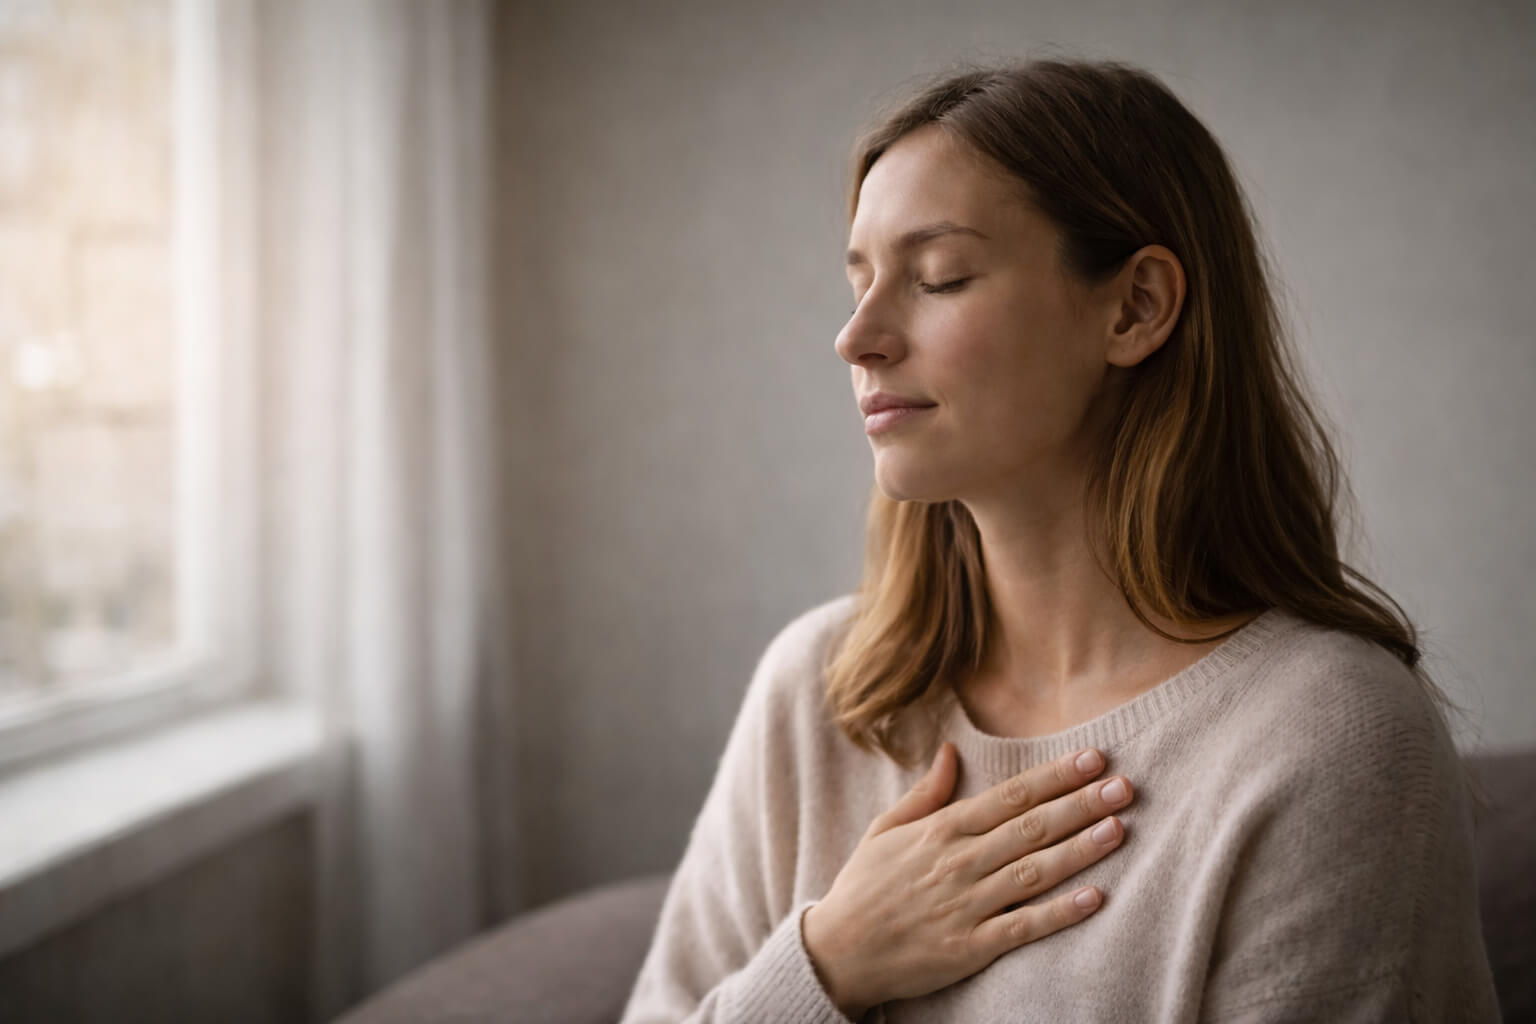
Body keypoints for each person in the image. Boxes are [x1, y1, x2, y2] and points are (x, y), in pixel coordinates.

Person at [618, 57, 1501, 1022]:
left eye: (939, 277)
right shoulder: (818, 693)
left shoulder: (1328, 741)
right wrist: (829, 964)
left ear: (1136, 308)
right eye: (861, 280)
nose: (856, 337)